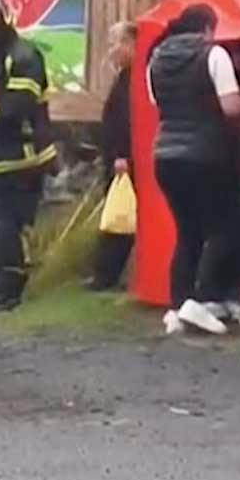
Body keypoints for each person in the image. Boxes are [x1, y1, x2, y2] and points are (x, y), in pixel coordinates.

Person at [147, 4, 240, 336]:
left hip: (165, 156)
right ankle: (202, 300)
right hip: (206, 154)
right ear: (206, 28)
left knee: (187, 231)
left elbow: (158, 104)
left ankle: (178, 305)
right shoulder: (213, 54)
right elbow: (231, 106)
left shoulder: (156, 59)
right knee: (222, 227)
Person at [0, 0, 56, 313]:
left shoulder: (24, 56)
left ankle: (8, 291)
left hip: (21, 155)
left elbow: (16, 109)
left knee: (7, 224)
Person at [87, 22, 139, 291]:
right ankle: (106, 273)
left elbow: (126, 121)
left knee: (120, 218)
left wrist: (122, 154)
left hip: (124, 160)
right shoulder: (124, 77)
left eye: (115, 43)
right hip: (115, 157)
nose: (111, 51)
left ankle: (106, 275)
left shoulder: (135, 79)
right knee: (117, 215)